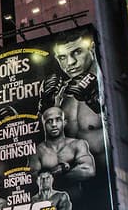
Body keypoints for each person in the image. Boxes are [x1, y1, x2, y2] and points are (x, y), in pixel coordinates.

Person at [40, 31, 105, 166]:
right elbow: (45, 147)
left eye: (77, 52)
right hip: (71, 180)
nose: (71, 62)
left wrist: (96, 102)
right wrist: (47, 107)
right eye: (62, 57)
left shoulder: (108, 81)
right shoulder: (61, 94)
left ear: (91, 48)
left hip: (111, 178)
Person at [29, 106, 96, 187]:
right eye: (49, 121)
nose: (54, 124)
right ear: (43, 124)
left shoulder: (77, 144)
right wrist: (62, 170)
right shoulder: (38, 151)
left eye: (58, 120)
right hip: (50, 199)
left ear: (64, 122)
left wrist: (56, 175)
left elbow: (89, 171)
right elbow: (32, 181)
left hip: (78, 198)